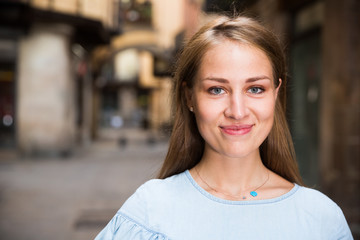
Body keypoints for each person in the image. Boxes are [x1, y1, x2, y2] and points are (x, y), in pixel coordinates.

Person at [95, 15, 353, 240]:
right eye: (217, 89)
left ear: (275, 94)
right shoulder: (149, 212)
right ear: (189, 97)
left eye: (255, 89)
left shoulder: (322, 220)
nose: (237, 111)